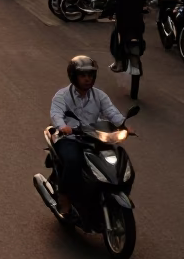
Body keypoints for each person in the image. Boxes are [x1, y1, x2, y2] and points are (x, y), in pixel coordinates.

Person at [50, 56, 132, 217]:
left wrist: (123, 124)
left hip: (95, 137)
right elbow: (56, 114)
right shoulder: (62, 96)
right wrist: (63, 127)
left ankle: (108, 192)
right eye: (83, 75)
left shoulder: (99, 95)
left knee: (120, 160)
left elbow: (111, 112)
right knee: (73, 161)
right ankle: (64, 196)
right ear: (74, 77)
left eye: (90, 75)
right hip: (70, 139)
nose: (87, 79)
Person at [100, 0, 148, 70]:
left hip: (123, 24)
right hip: (138, 24)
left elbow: (108, 6)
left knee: (115, 37)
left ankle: (119, 62)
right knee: (139, 36)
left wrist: (105, 14)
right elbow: (145, 7)